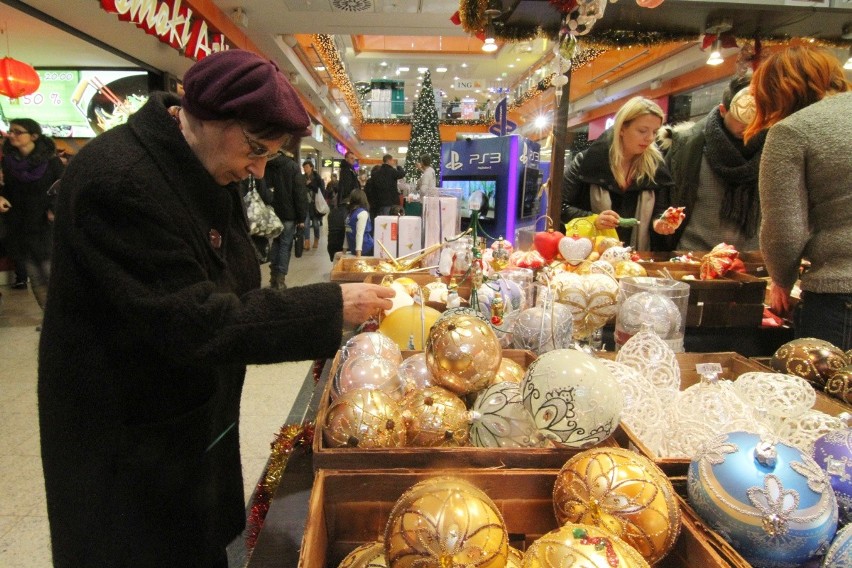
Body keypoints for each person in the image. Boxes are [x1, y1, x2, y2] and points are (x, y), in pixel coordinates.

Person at [37, 49, 393, 567]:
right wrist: (329, 306)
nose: (258, 167)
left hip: (186, 417)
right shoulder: (121, 181)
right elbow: (194, 320)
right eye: (255, 148)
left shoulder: (197, 166)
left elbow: (232, 286)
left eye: (269, 154)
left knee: (195, 543)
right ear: (205, 115)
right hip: (126, 439)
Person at [745, 45, 852, 349]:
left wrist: (781, 278)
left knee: (829, 394)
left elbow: (784, 228)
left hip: (840, 293)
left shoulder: (793, 131)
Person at [660, 76, 766, 251]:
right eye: (741, 116)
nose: (748, 126)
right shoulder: (688, 145)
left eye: (757, 117)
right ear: (723, 110)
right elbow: (664, 199)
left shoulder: (774, 147)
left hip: (751, 262)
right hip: (692, 258)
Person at [561, 96, 675, 251]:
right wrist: (593, 219)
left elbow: (660, 209)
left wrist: (660, 222)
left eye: (655, 132)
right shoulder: (587, 161)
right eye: (642, 131)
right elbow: (560, 206)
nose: (649, 138)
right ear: (621, 128)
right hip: (591, 257)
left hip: (638, 257)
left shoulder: (656, 166)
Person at [1, 118, 65, 310]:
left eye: (18, 132)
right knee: (35, 277)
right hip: (21, 225)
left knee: (50, 274)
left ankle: (62, 318)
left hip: (45, 223)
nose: (12, 135)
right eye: (11, 131)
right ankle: (47, 319)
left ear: (34, 136)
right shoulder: (9, 163)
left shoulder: (51, 162)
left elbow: (62, 188)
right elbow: (8, 191)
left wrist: (54, 209)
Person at [266, 147, 308, 289]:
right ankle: (280, 279)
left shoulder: (267, 166)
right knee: (285, 245)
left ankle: (273, 276)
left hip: (273, 213)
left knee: (276, 243)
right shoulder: (292, 167)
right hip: (289, 214)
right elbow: (299, 193)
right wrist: (302, 218)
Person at [367, 153, 406, 218]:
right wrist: (399, 167)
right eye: (392, 160)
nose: (393, 162)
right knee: (389, 222)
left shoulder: (377, 173)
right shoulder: (392, 171)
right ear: (389, 160)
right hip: (391, 202)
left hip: (379, 202)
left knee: (382, 222)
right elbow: (402, 174)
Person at [346, 189, 374, 257]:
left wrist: (344, 250)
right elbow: (358, 234)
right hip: (364, 248)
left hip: (359, 249)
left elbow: (348, 233)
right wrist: (358, 254)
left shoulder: (350, 215)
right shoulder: (362, 213)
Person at [303, 160, 324, 249]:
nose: (305, 169)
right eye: (304, 167)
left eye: (307, 167)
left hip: (315, 204)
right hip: (305, 204)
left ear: (311, 167)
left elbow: (321, 190)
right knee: (306, 223)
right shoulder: (302, 177)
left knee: (315, 224)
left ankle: (316, 239)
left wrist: (310, 184)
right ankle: (307, 242)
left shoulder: (317, 177)